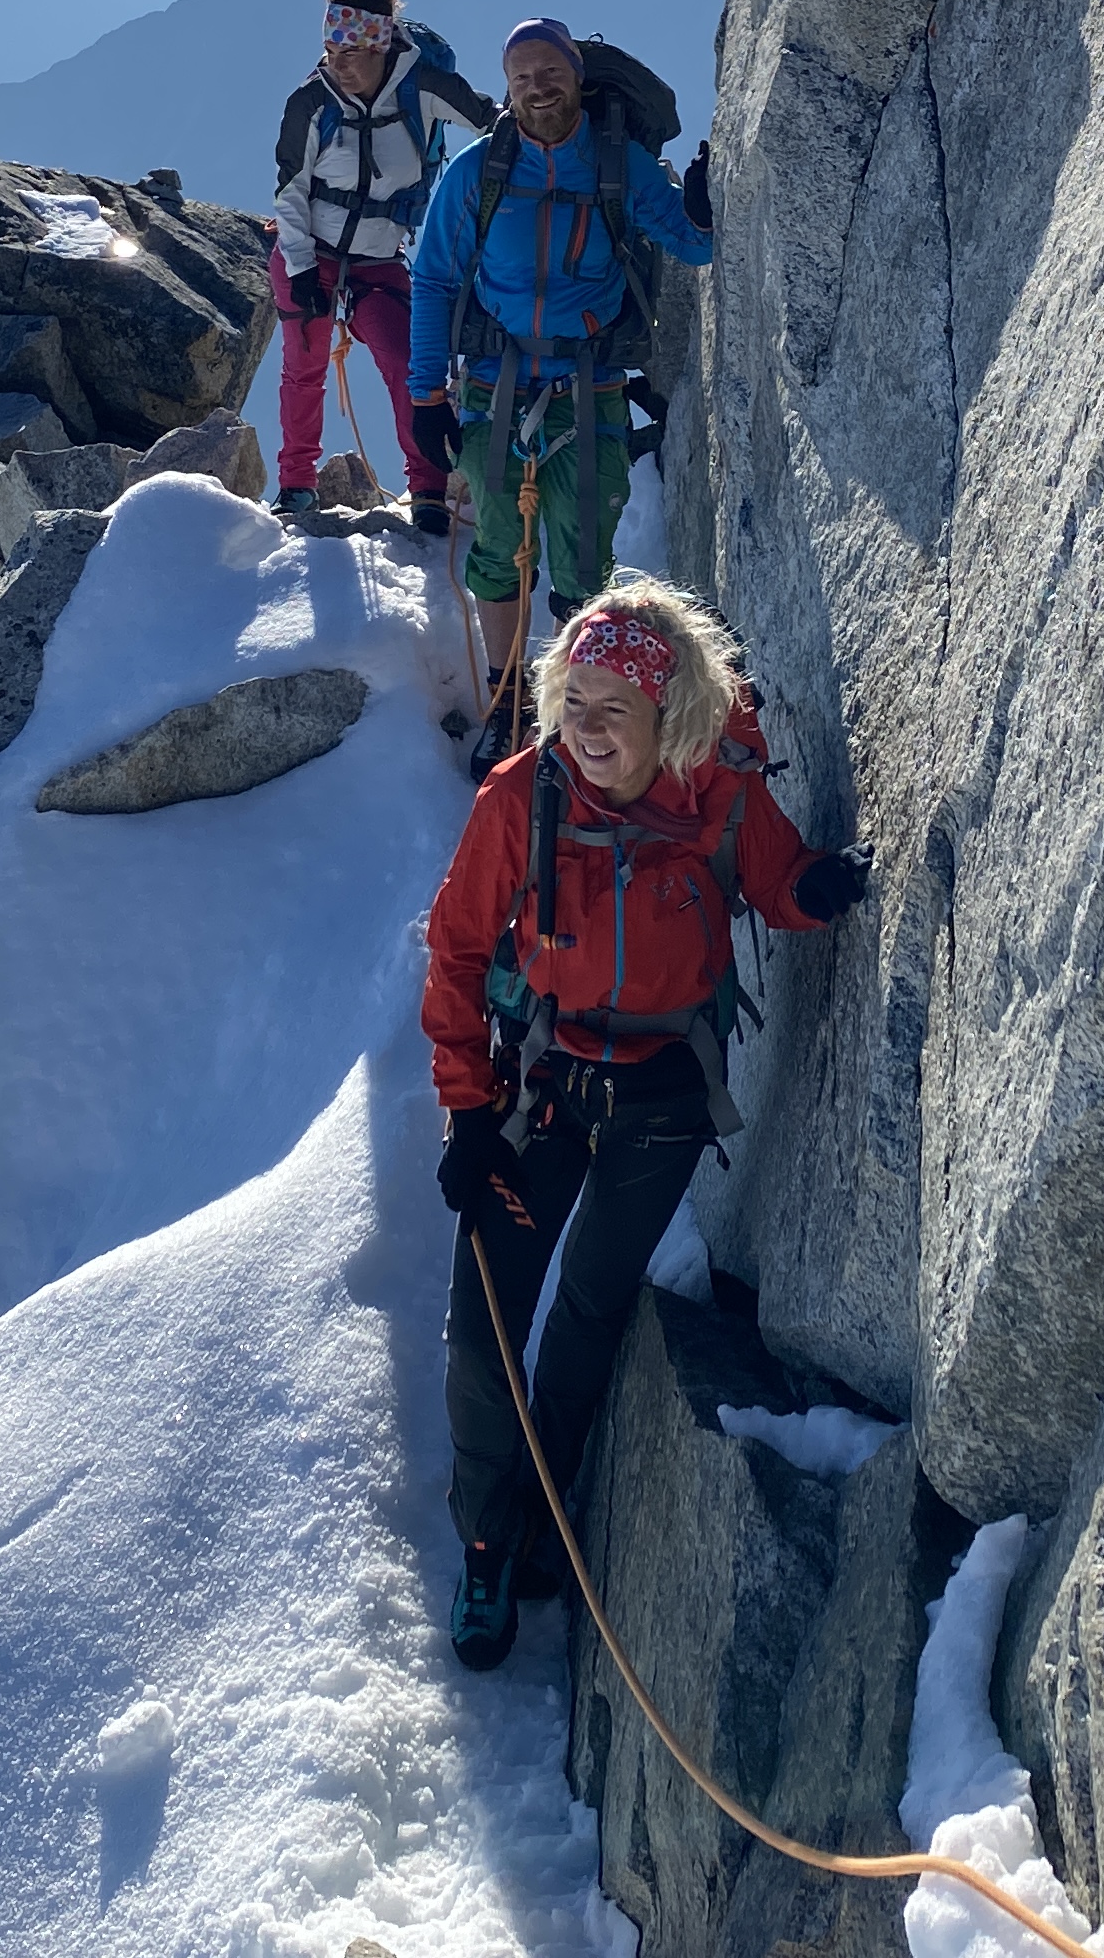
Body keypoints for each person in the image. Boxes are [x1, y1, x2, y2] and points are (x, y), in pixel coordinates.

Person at [420, 576, 872, 1670]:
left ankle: (541, 1517)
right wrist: (467, 1111)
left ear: (668, 715)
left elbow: (775, 884)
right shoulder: (518, 801)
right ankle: (488, 1544)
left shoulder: (714, 792)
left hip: (662, 1102)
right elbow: (457, 952)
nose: (584, 728)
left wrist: (831, 886)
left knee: (586, 1310)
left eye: (611, 708)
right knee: (486, 1320)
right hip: (542, 1090)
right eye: (572, 701)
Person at [405, 17, 716, 760]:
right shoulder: (476, 172)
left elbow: (690, 245)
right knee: (500, 548)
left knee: (584, 557)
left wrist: (702, 208)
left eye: (551, 74)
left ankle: (575, 710)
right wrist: (425, 398)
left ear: (577, 76)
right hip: (493, 386)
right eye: (523, 79)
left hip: (590, 382)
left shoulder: (620, 165)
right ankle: (509, 706)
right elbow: (435, 281)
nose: (538, 89)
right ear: (507, 90)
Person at [267, 0, 494, 532]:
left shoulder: (424, 87)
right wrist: (297, 268)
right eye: (330, 51)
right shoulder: (310, 103)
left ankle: (428, 492)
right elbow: (289, 192)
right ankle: (296, 485)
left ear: (380, 47)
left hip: (377, 260)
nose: (336, 65)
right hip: (308, 251)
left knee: (408, 363)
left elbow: (494, 124)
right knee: (304, 362)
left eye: (349, 53)